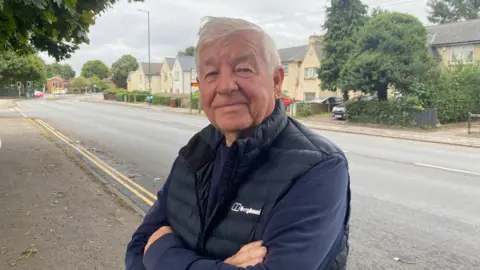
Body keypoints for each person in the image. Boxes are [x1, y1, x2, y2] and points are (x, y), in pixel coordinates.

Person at [125, 16, 351, 270]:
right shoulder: (195, 152)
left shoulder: (318, 168)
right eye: (211, 74)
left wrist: (161, 253)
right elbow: (137, 248)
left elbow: (150, 248)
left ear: (276, 81)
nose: (225, 86)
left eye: (243, 69)